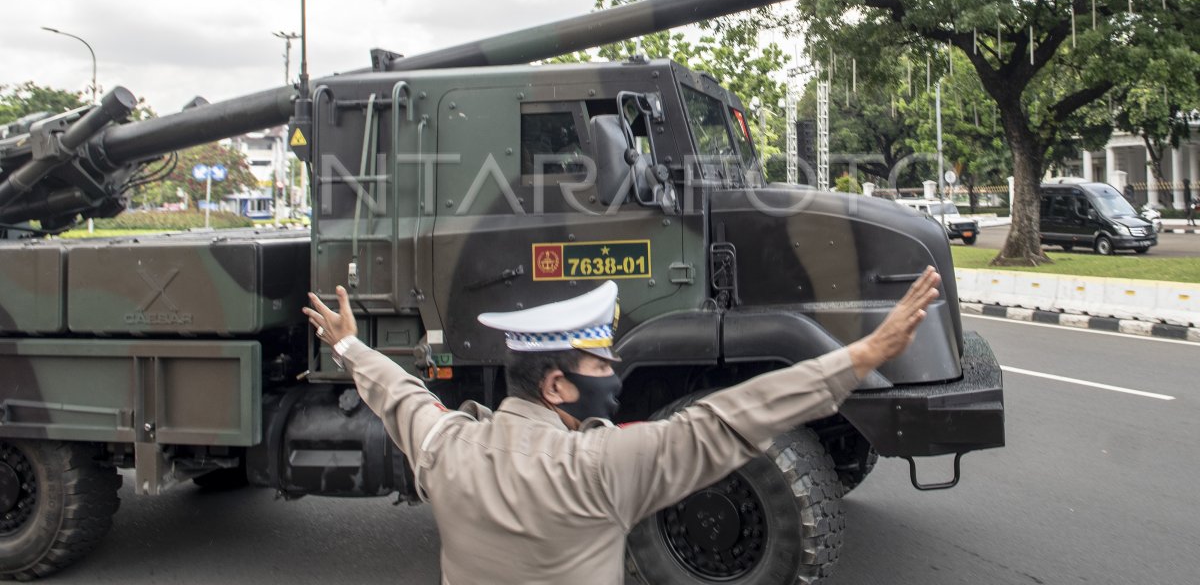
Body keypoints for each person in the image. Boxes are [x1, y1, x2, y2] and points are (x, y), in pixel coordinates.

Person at [303, 267, 941, 585]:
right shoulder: (598, 468)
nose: (613, 369)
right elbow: (725, 422)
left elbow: (398, 395)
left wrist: (349, 348)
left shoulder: (445, 447)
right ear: (556, 385)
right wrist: (860, 357)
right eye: (598, 360)